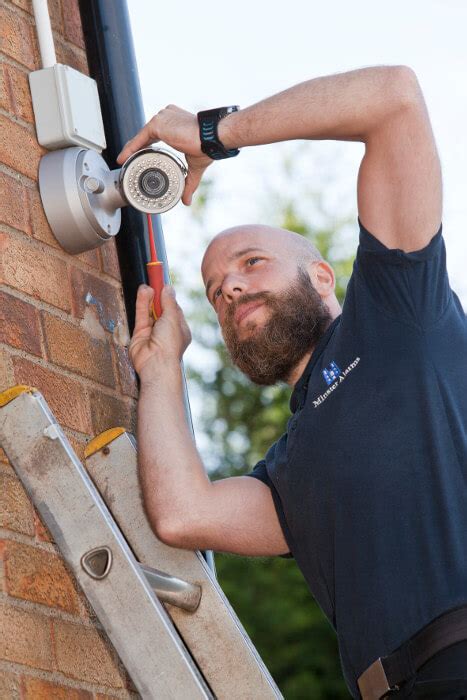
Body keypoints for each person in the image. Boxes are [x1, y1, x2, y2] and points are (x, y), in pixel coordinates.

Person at [117, 66, 467, 699]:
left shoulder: (396, 309)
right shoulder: (291, 473)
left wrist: (213, 133)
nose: (232, 288)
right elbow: (181, 513)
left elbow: (393, 99)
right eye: (218, 294)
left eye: (252, 263)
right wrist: (161, 367)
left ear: (323, 277)